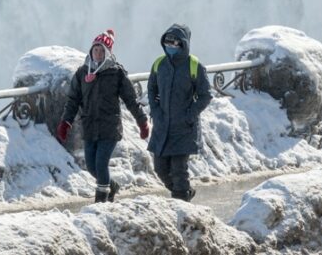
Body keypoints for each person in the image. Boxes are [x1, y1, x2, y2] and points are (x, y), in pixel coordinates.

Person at [56, 29, 150, 203]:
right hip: (90, 127)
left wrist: (142, 121)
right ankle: (111, 185)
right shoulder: (82, 73)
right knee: (92, 167)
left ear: (108, 53)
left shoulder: (116, 73)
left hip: (109, 127)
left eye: (102, 51)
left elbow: (130, 99)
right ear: (91, 51)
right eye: (95, 50)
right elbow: (73, 100)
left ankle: (101, 203)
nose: (98, 53)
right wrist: (65, 122)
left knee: (100, 164)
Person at [147, 23, 212, 201]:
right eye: (167, 43)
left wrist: (189, 115)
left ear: (182, 43)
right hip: (162, 125)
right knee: (160, 169)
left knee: (179, 171)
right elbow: (151, 88)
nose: (170, 46)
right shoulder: (159, 64)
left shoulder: (194, 66)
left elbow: (206, 95)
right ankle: (184, 192)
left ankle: (181, 205)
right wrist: (155, 110)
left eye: (174, 43)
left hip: (183, 128)